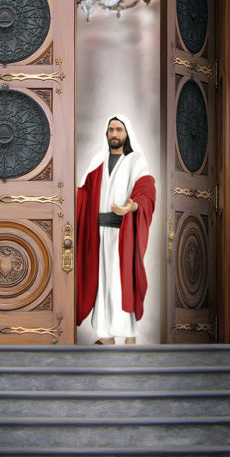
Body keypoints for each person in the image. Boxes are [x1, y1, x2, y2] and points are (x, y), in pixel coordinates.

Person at [76, 114, 156, 345]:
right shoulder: (98, 161)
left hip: (122, 233)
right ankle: (105, 336)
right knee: (102, 283)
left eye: (119, 130)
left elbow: (146, 189)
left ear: (126, 134)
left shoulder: (135, 160)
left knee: (121, 282)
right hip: (98, 233)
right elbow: (85, 192)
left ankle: (129, 337)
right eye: (111, 130)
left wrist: (134, 205)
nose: (114, 134)